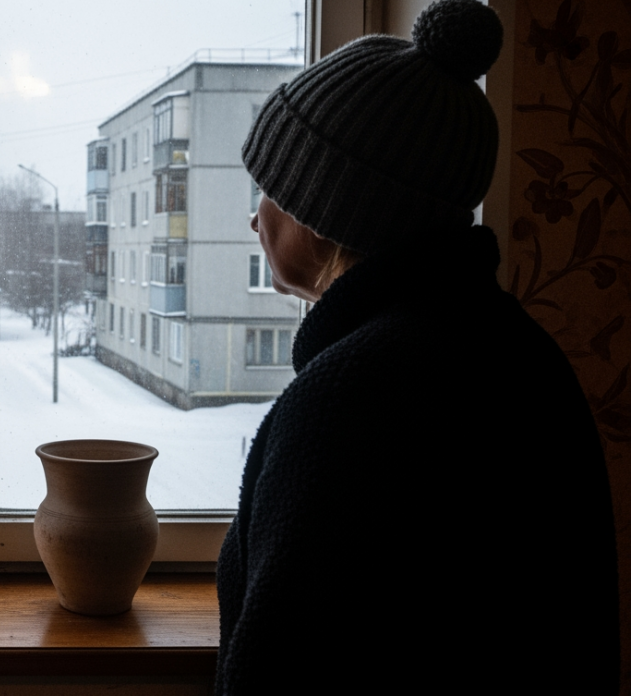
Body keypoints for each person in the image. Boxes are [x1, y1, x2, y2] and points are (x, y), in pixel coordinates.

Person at [216, 1, 619, 693]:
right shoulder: (518, 352)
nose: (256, 217)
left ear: (326, 209)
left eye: (271, 190)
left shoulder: (349, 403)